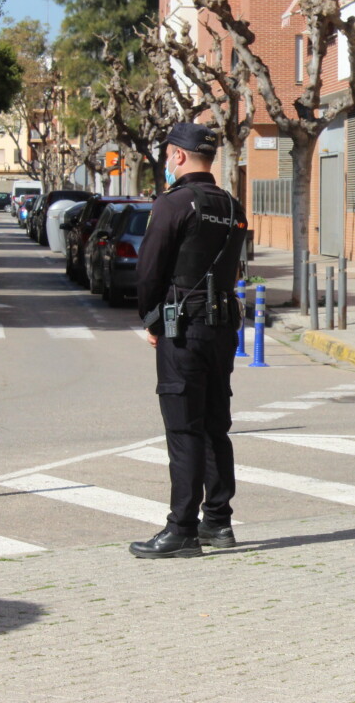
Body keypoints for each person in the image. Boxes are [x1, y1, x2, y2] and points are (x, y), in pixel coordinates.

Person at [130, 122, 249, 559]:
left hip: (184, 329)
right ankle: (218, 521)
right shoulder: (232, 205)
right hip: (222, 331)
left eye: (167, 156)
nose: (166, 163)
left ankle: (181, 528)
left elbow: (149, 270)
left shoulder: (174, 203)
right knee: (216, 425)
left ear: (178, 156)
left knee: (184, 428)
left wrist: (152, 320)